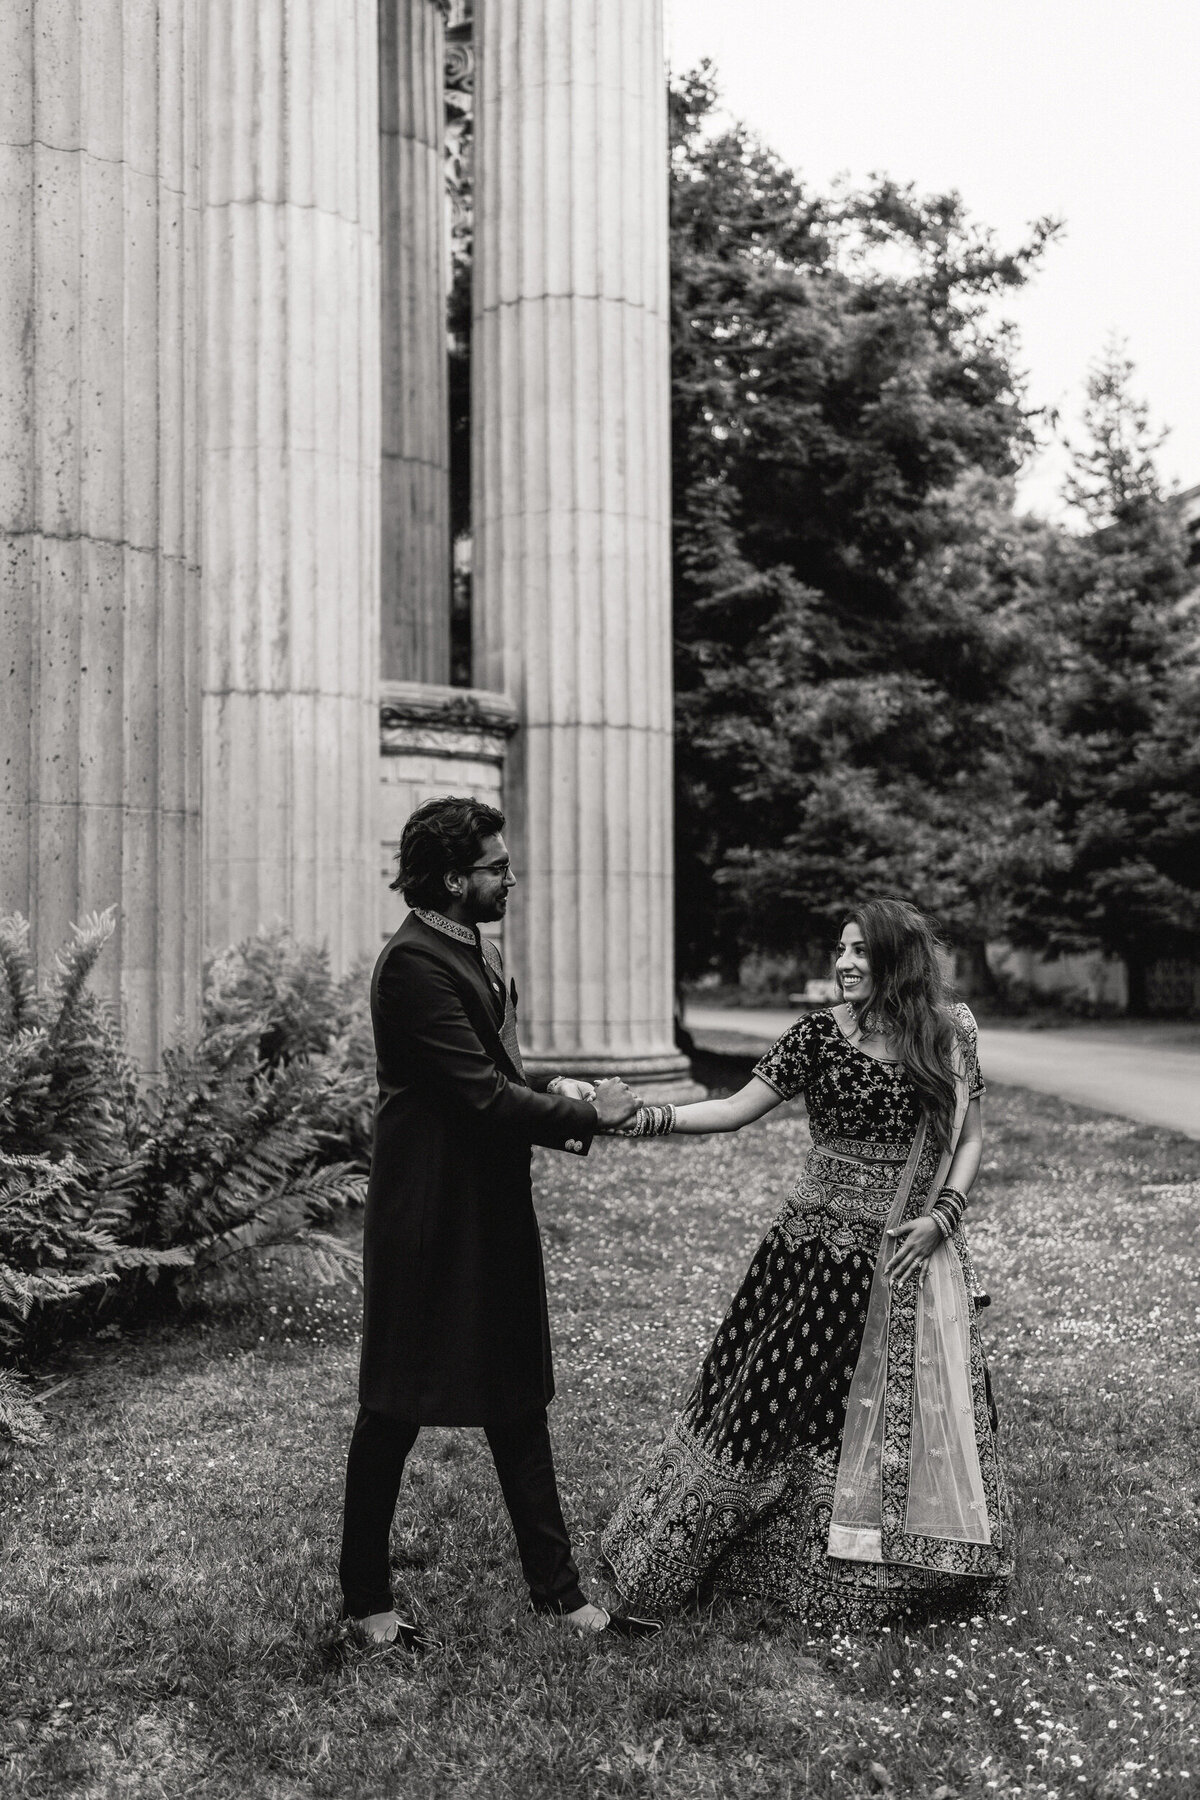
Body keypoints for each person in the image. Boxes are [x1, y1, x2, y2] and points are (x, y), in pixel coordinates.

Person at [602, 898, 1013, 1629]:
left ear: (899, 962)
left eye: (862, 951)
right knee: (764, 1402)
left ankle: (861, 1574)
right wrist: (645, 1117)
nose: (845, 963)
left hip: (901, 1260)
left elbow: (971, 1138)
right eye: (841, 949)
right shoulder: (819, 1036)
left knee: (856, 1420)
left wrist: (942, 1217)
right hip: (809, 1261)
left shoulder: (949, 1035)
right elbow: (732, 1108)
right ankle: (683, 1559)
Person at [338, 796, 661, 1650]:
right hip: (429, 1218)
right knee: (393, 1408)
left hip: (489, 1207)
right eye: (496, 866)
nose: (510, 877)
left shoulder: (467, 948)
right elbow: (480, 1097)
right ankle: (367, 1607)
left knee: (519, 1397)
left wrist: (561, 1087)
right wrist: (593, 1117)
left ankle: (562, 1597)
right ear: (453, 878)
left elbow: (495, 1072)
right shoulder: (412, 963)